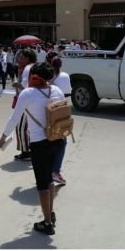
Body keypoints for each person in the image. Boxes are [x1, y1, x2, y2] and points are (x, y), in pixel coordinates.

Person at [0, 62, 64, 235]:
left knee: (42, 184)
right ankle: (51, 213)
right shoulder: (56, 90)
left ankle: (47, 223)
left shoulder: (28, 93)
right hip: (58, 140)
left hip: (40, 143)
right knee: (49, 179)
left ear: (35, 76)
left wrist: (4, 135)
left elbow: (15, 117)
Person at [48, 53, 72, 186]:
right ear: (61, 65)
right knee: (62, 140)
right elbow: (68, 93)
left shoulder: (49, 78)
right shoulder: (65, 76)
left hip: (50, 110)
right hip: (63, 110)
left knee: (50, 139)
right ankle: (55, 171)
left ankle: (50, 169)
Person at [11, 48, 37, 161]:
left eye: (22, 57)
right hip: (26, 100)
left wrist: (18, 85)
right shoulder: (25, 68)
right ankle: (27, 150)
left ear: (28, 59)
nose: (19, 59)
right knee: (25, 127)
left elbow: (27, 87)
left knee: (21, 127)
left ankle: (27, 151)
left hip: (27, 101)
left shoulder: (28, 68)